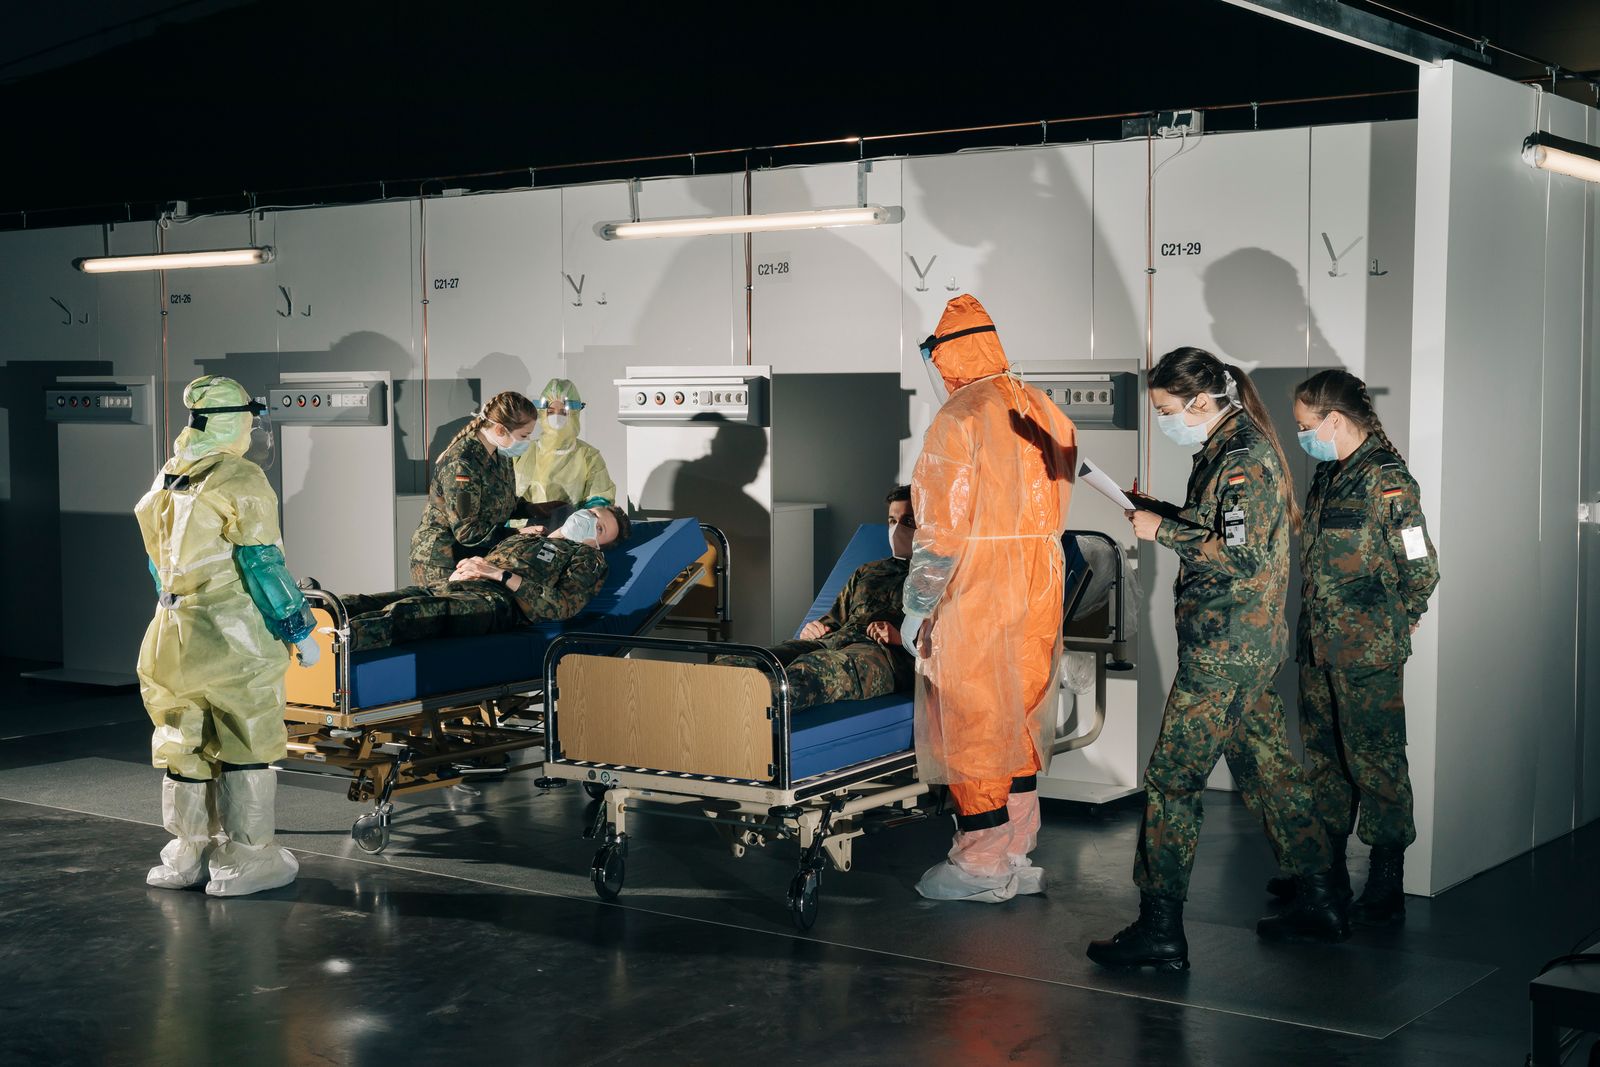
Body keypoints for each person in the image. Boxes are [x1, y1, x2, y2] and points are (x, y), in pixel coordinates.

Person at [1087, 348, 1345, 972]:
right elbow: (1226, 534)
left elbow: (1243, 558)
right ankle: (1318, 896)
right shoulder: (1230, 449)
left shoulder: (1240, 459)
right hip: (1242, 647)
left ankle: (1159, 929)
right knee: (1271, 770)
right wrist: (1164, 513)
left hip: (1225, 651)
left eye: (1168, 410)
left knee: (1173, 782)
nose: (1165, 420)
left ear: (1201, 402)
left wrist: (1163, 532)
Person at [901, 294, 1077, 904]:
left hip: (980, 587)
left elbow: (940, 526)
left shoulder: (961, 416)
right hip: (1040, 584)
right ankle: (1017, 850)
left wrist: (919, 600)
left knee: (976, 722)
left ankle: (981, 863)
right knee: (1020, 717)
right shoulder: (1044, 408)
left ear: (947, 352)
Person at [1267, 369, 1439, 925]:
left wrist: (1401, 617)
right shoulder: (1327, 475)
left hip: (1366, 653)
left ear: (1334, 420)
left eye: (1304, 425)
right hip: (1317, 646)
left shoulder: (1389, 480)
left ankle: (1387, 878)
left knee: (1377, 761)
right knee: (1324, 760)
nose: (1301, 434)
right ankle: (1327, 874)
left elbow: (1421, 564)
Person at [136, 375, 319, 897]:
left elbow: (158, 563)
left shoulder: (170, 475)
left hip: (171, 630)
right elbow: (262, 563)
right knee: (245, 740)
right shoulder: (241, 478)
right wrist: (298, 628)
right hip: (232, 632)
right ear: (238, 419)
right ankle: (246, 859)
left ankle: (187, 854)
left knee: (183, 742)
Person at [714, 486, 917, 712]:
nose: (896, 529)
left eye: (908, 522)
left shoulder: (940, 579)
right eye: (891, 521)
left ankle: (742, 713)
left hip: (886, 658)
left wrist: (903, 638)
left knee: (813, 672)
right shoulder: (868, 572)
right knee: (745, 661)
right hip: (834, 643)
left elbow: (952, 647)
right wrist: (815, 628)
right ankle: (707, 701)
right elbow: (834, 620)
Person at [339, 507, 629, 651]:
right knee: (367, 601)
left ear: (597, 543)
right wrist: (465, 568)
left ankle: (336, 645)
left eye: (599, 527)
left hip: (497, 604)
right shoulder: (530, 536)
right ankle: (311, 618)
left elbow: (561, 606)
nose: (588, 519)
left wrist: (501, 575)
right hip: (458, 585)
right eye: (591, 512)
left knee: (408, 612)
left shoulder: (588, 559)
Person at [410, 390, 540, 584]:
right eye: (524, 435)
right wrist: (518, 534)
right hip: (442, 561)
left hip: (470, 555)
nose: (526, 442)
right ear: (500, 430)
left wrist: (534, 509)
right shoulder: (463, 463)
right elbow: (467, 531)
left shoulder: (500, 454)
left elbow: (501, 502)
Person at [515, 377, 618, 515]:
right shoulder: (523, 451)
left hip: (569, 532)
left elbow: (599, 498)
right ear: (542, 412)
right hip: (524, 532)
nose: (556, 418)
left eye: (563, 412)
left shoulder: (588, 456)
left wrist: (576, 524)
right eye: (550, 412)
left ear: (574, 414)